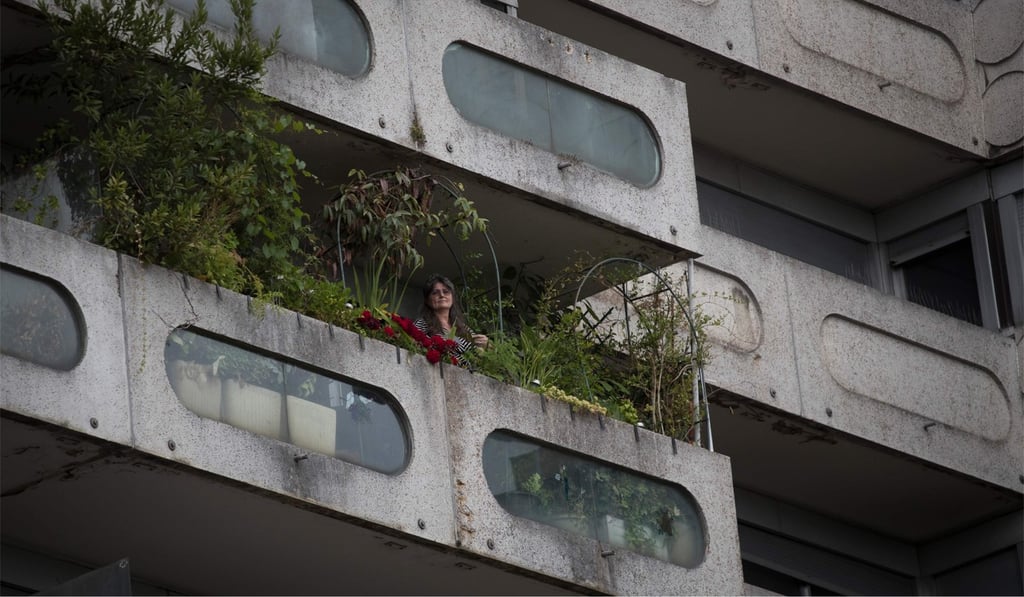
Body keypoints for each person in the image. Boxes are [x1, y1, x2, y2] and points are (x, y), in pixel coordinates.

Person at [414, 274, 488, 363]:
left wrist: (483, 346)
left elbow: (478, 358)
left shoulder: (464, 329)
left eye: (446, 292)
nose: (441, 295)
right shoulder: (422, 324)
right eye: (435, 293)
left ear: (452, 297)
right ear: (427, 300)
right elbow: (414, 349)